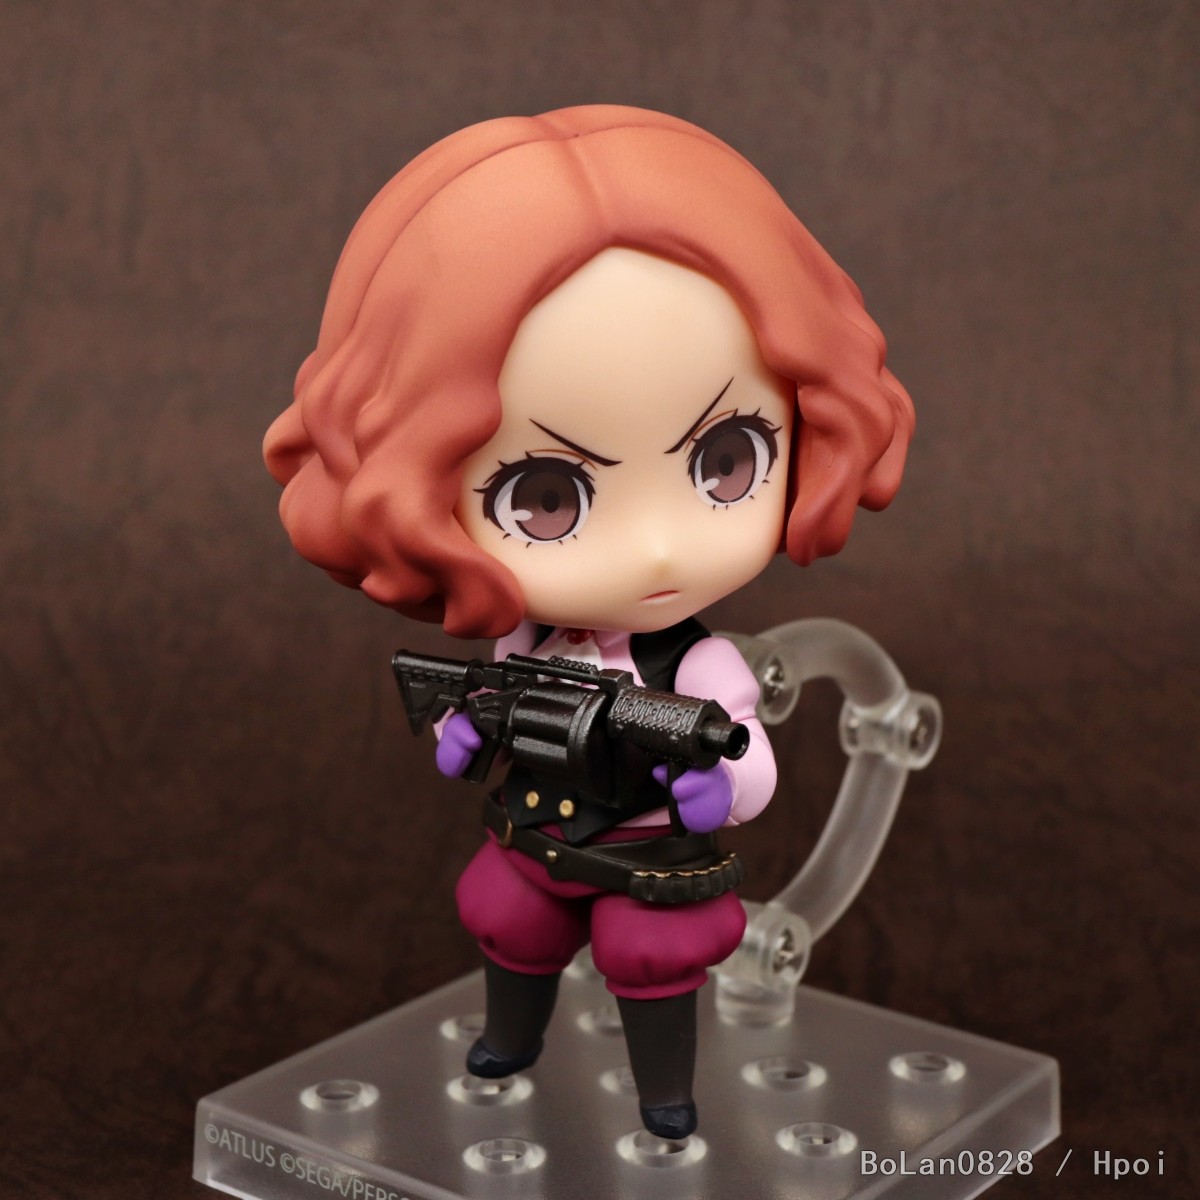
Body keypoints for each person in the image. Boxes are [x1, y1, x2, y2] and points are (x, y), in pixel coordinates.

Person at [264, 105, 914, 1139]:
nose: (656, 550)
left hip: (647, 852)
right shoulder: (524, 645)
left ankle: (665, 1094)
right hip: (536, 831)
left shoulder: (698, 667)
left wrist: (722, 784)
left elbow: (745, 755)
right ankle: (509, 1040)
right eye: (547, 496)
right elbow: (477, 714)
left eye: (727, 461)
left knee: (650, 953)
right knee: (508, 918)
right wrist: (465, 730)